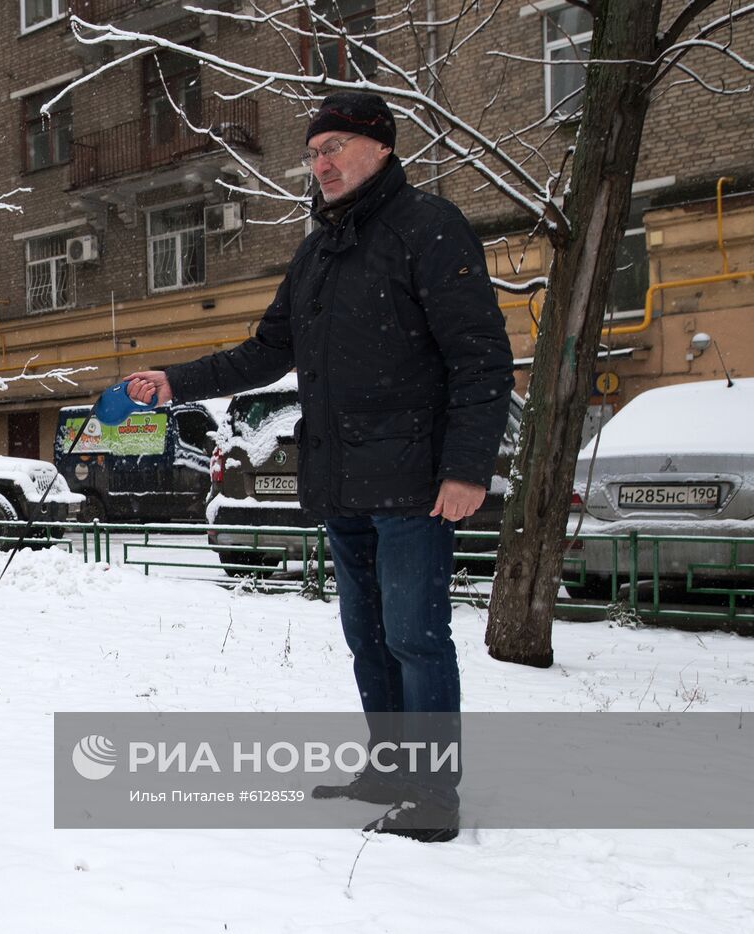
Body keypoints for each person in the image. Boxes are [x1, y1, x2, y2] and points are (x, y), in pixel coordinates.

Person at [123, 92, 514, 843]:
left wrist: (466, 469)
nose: (321, 164)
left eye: (335, 146)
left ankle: (434, 797)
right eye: (312, 153)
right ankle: (392, 768)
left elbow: (481, 357)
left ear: (381, 148)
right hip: (343, 483)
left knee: (416, 638)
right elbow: (266, 351)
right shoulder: (318, 250)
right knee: (368, 636)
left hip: (417, 484)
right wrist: (175, 381)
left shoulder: (427, 228)